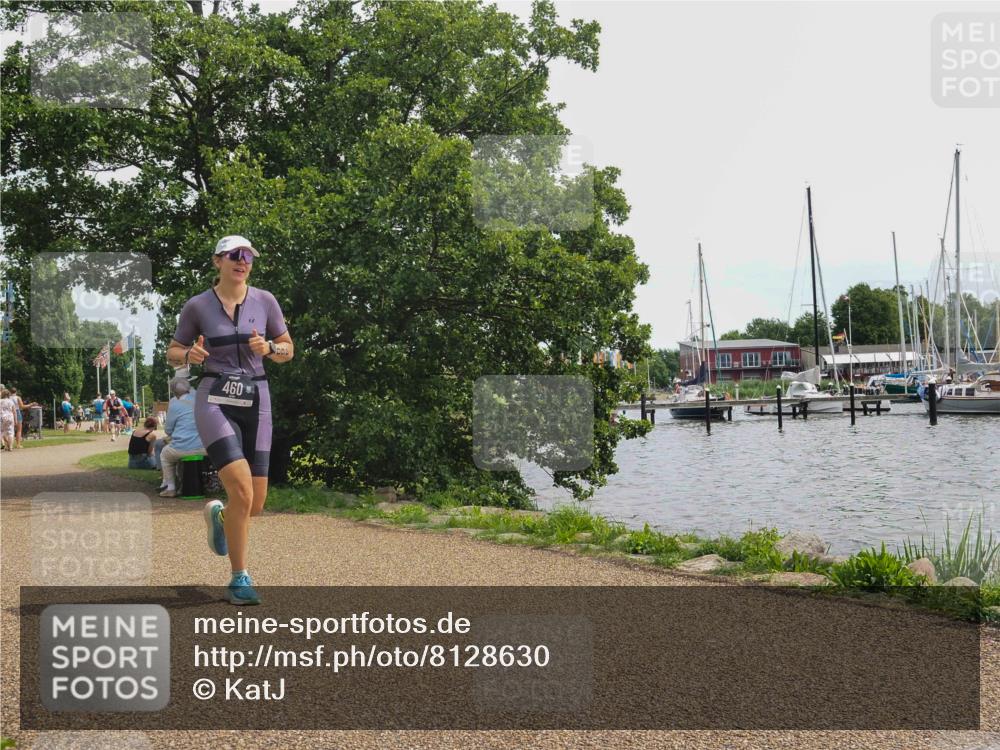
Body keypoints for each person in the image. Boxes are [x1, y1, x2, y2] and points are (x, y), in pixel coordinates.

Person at [166, 235, 294, 605]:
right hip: (214, 399)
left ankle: (221, 520)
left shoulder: (265, 301)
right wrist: (190, 354)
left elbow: (288, 348)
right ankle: (239, 578)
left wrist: (270, 348)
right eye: (235, 256)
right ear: (217, 261)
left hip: (257, 397)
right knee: (240, 490)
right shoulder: (197, 306)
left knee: (254, 504)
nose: (243, 261)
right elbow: (173, 352)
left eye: (249, 256)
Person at [157, 376, 205, 497]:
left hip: (183, 448)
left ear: (174, 392)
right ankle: (182, 485)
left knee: (165, 455)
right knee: (177, 453)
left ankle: (171, 488)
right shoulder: (200, 399)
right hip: (205, 447)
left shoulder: (175, 404)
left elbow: (168, 430)